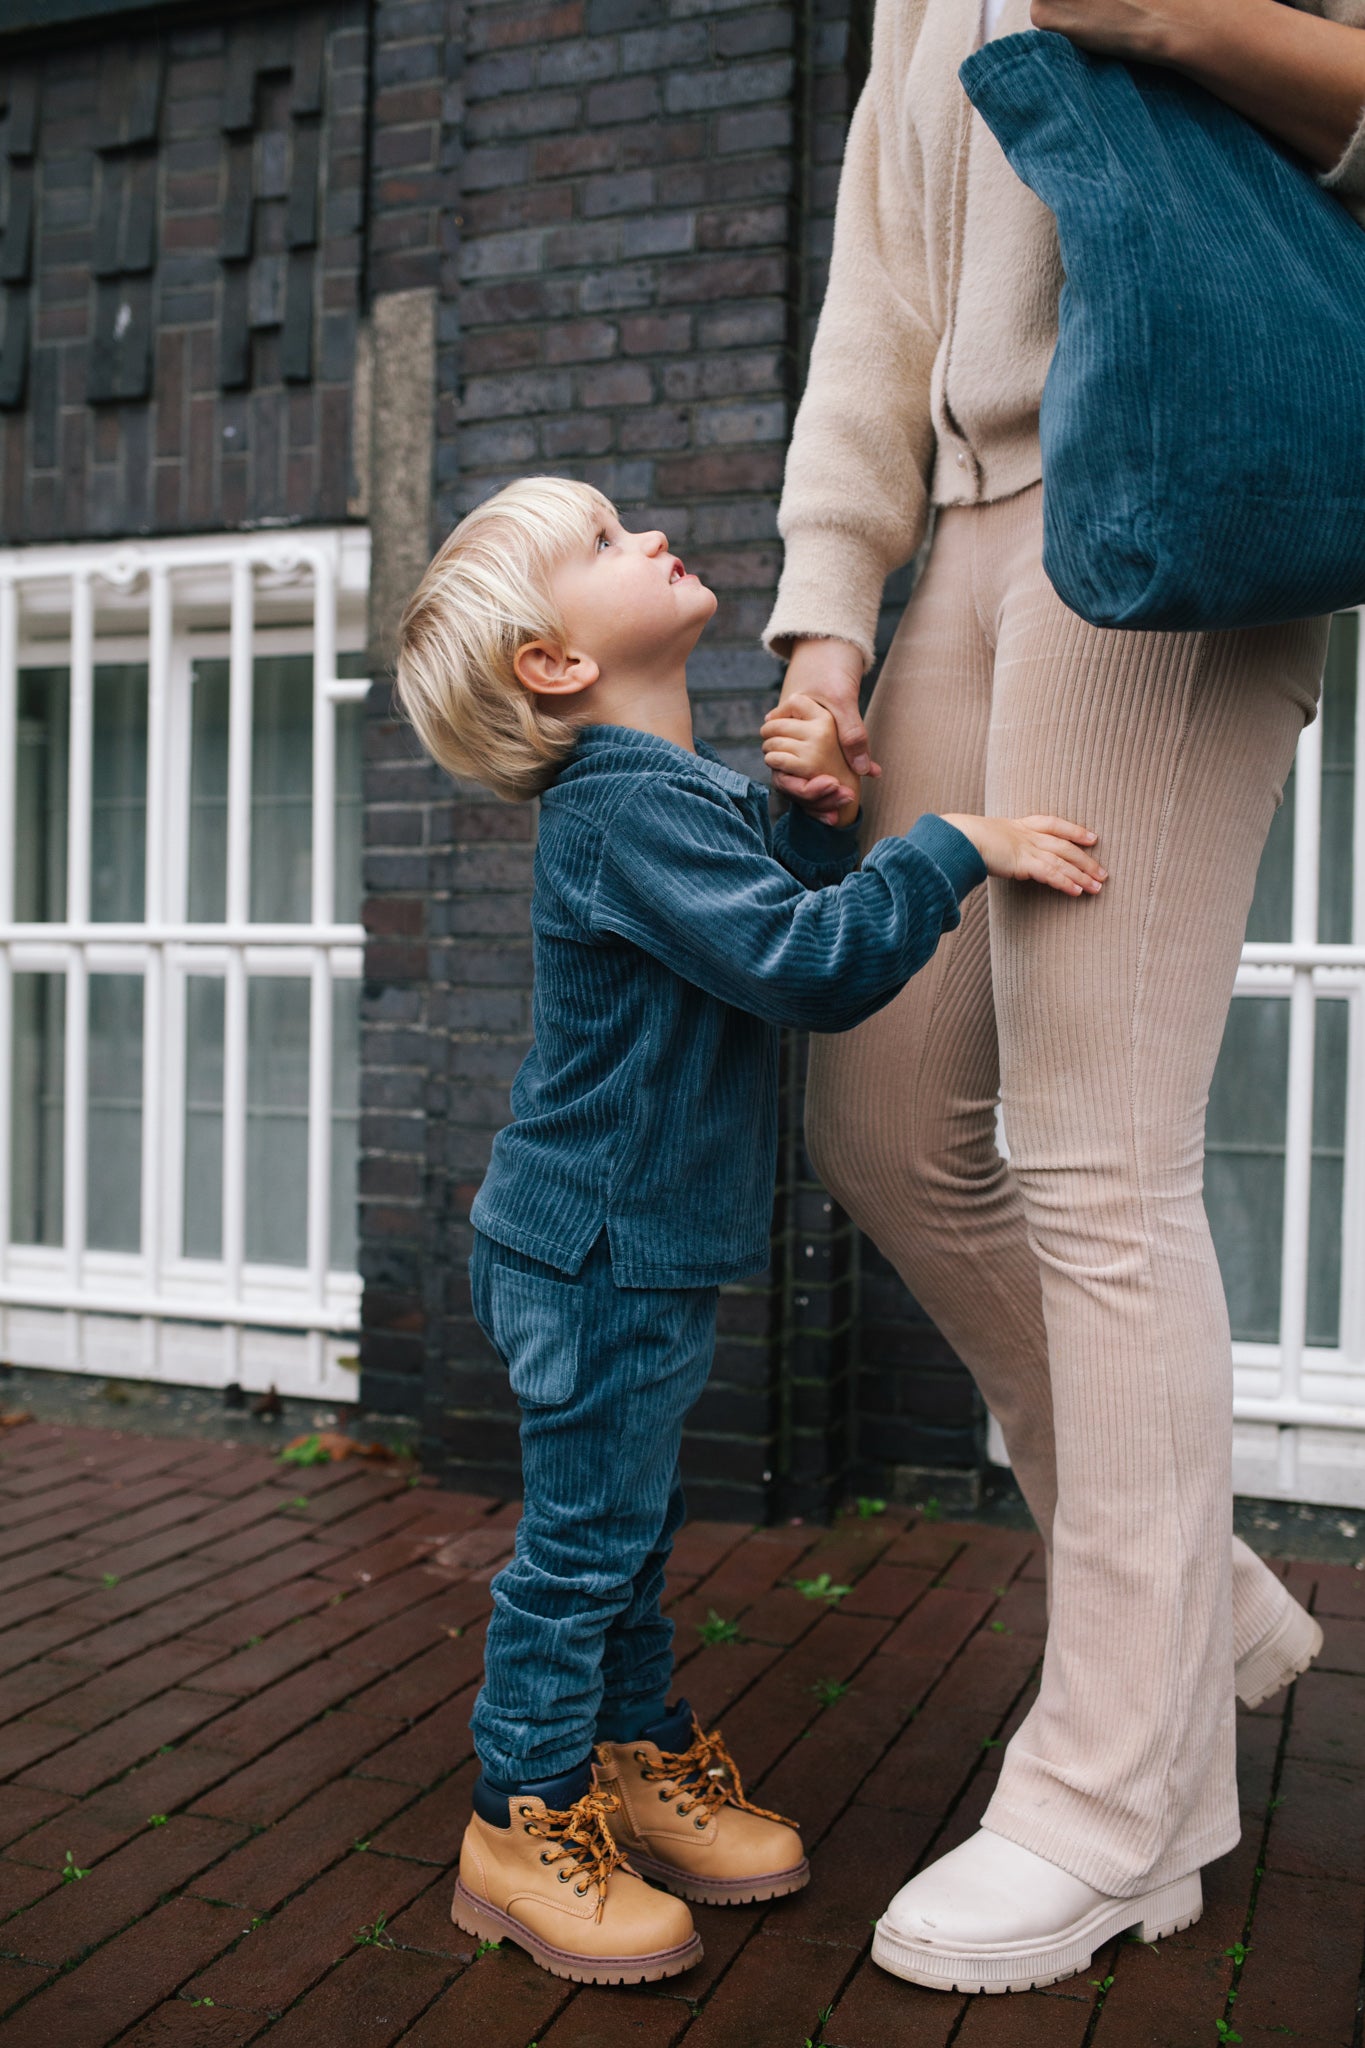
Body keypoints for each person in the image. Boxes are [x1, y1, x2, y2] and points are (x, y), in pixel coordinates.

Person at [762, 0, 1363, 2001]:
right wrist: (826, 614)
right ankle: (1192, 1603)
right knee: (877, 1107)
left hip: (1173, 481)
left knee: (1089, 1158)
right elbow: (878, 286)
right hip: (967, 538)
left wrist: (1177, 22)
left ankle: (1125, 1801)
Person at [393, 473, 1106, 1987]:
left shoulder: (670, 798)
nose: (643, 533)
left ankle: (636, 1756)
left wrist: (803, 807)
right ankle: (518, 1816)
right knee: (583, 1550)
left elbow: (756, 903)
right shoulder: (619, 807)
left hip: (623, 1244)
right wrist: (944, 845)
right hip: (592, 1252)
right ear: (554, 665)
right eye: (599, 542)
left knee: (625, 1537)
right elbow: (801, 963)